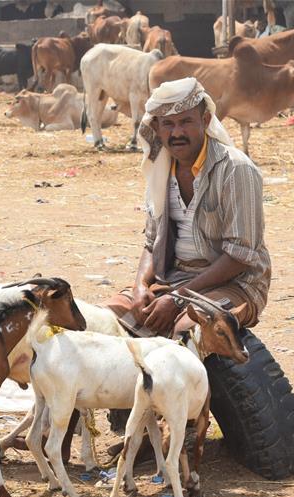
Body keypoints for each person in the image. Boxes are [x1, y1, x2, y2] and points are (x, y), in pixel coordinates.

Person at [104, 77, 271, 338]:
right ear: (156, 127)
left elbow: (241, 256)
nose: (176, 133)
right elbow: (152, 243)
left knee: (190, 330)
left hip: (236, 285)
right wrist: (140, 287)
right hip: (173, 280)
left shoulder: (236, 170)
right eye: (168, 124)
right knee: (104, 321)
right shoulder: (160, 169)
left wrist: (178, 299)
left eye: (186, 122)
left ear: (205, 121)